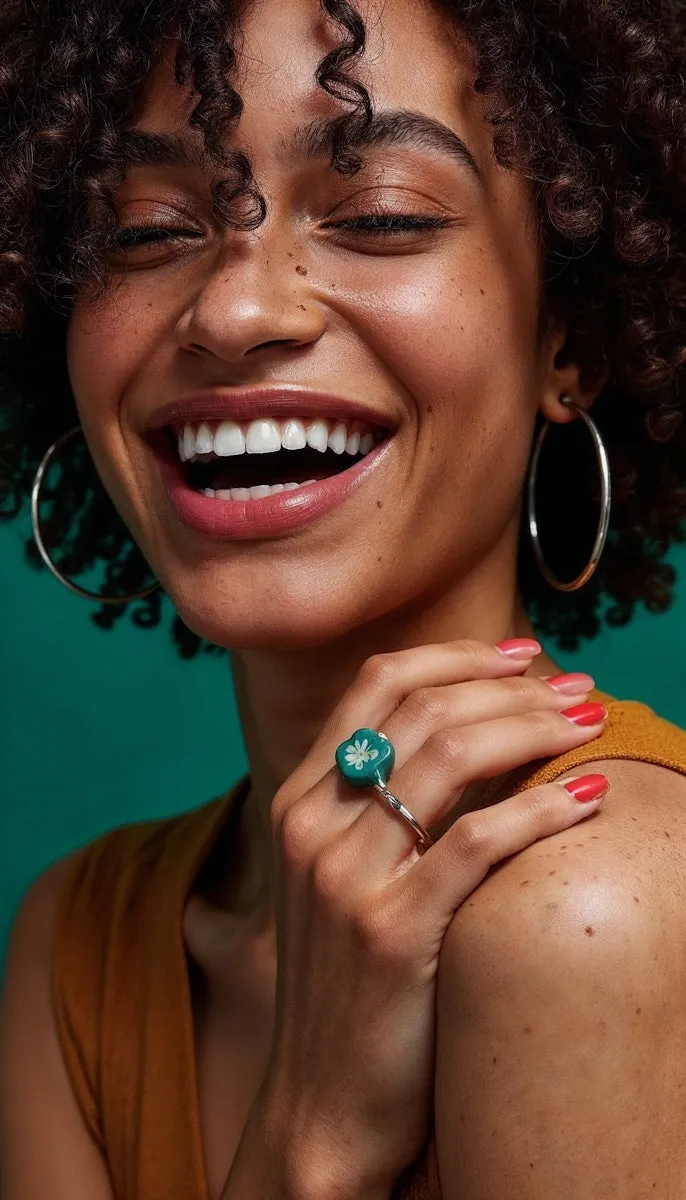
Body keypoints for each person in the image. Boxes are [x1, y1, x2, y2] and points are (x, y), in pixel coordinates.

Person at [2, 0, 686, 1195]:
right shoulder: (81, 939)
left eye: (380, 216)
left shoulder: (586, 903)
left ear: (565, 345)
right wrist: (302, 1141)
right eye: (147, 231)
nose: (233, 311)